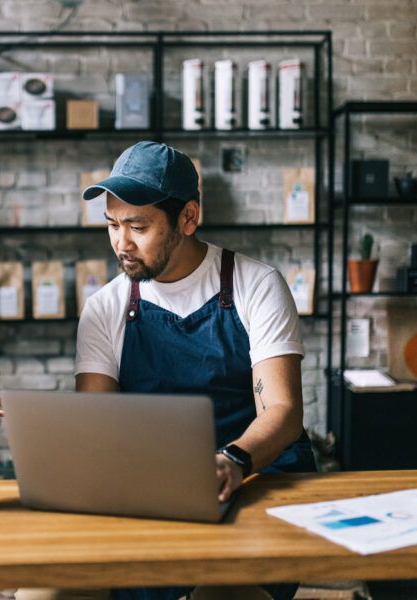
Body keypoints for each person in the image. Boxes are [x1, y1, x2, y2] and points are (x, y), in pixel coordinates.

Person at [75, 141, 317, 600]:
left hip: (254, 479)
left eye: (137, 226)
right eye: (111, 225)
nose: (120, 243)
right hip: (153, 491)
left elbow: (283, 411)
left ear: (188, 218)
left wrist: (233, 461)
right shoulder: (104, 307)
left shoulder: (256, 286)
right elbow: (97, 425)